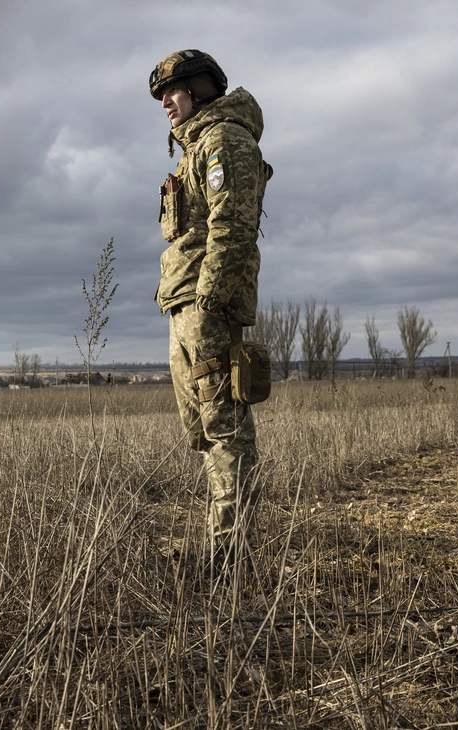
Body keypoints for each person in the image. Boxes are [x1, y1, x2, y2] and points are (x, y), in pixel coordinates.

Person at [149, 50, 271, 576]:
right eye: (160, 97)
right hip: (183, 306)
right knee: (202, 431)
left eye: (172, 93)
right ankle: (222, 542)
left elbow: (233, 226)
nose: (165, 105)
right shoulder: (191, 150)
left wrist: (210, 301)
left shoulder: (224, 140)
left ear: (200, 88)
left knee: (225, 430)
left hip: (206, 307)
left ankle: (231, 557)